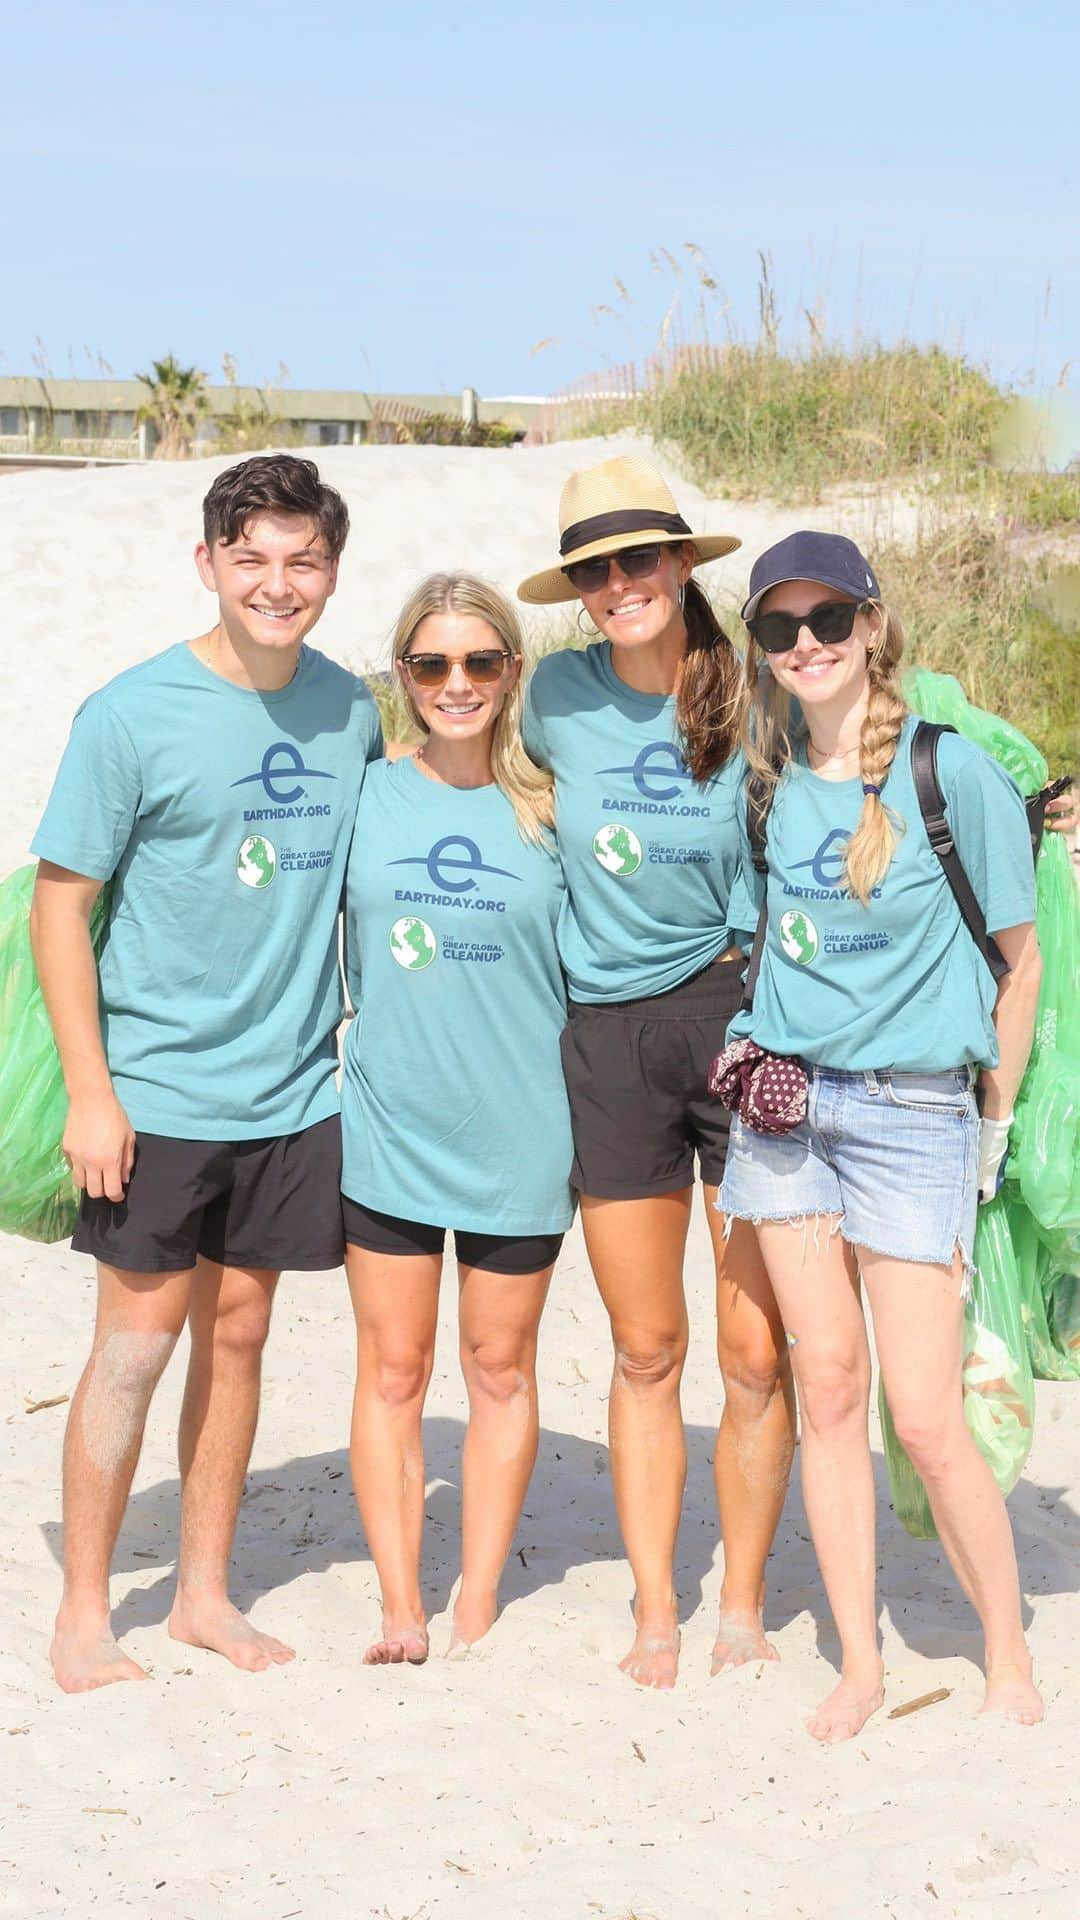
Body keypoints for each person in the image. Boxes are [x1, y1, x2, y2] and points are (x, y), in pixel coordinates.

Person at [30, 454, 383, 1692]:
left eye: (302, 561)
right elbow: (61, 906)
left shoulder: (353, 710)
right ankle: (84, 1607)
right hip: (157, 1093)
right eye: (252, 559)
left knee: (239, 1339)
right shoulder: (130, 713)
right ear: (208, 564)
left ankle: (200, 1594)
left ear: (331, 573)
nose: (276, 584)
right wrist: (92, 1089)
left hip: (293, 1092)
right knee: (133, 1346)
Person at [719, 529, 1045, 1740]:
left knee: (922, 1410)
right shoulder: (759, 783)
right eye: (778, 628)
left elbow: (1021, 965)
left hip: (917, 1115)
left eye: (827, 622)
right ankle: (858, 1661)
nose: (805, 647)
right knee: (830, 1389)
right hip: (791, 1114)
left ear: (872, 624)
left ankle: (1005, 1649)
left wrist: (993, 1126)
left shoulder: (940, 772)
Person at [517, 456, 795, 1690]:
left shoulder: (758, 694)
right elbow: (431, 743)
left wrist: (1037, 794)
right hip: (608, 1039)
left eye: (641, 558)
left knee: (756, 1352)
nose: (621, 583)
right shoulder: (549, 698)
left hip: (742, 1017)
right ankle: (654, 1607)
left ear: (685, 564)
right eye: (596, 568)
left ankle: (739, 1598)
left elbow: (897, 733)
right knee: (646, 1347)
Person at [341, 573, 573, 1664]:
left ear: (512, 672)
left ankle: (477, 1588)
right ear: (403, 678)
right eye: (431, 664)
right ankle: (401, 1602)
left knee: (498, 1369)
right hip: (388, 1127)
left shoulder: (554, 806)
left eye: (481, 662)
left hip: (520, 1134)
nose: (457, 684)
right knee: (393, 1370)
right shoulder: (366, 793)